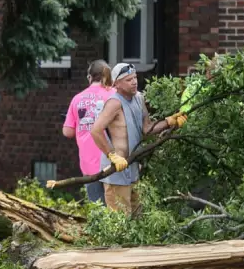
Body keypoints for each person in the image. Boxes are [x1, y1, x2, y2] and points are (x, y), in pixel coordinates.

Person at [90, 63, 187, 216]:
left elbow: (147, 129)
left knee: (138, 217)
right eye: (129, 80)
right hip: (117, 170)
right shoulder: (114, 103)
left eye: (135, 77)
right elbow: (95, 130)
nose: (134, 82)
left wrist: (169, 122)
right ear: (117, 83)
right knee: (120, 221)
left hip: (133, 168)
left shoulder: (139, 98)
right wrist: (112, 155)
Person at [62, 60, 114, 204]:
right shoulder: (114, 94)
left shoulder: (77, 98)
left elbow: (67, 132)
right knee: (117, 210)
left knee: (97, 208)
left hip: (89, 163)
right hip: (114, 160)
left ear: (89, 77)